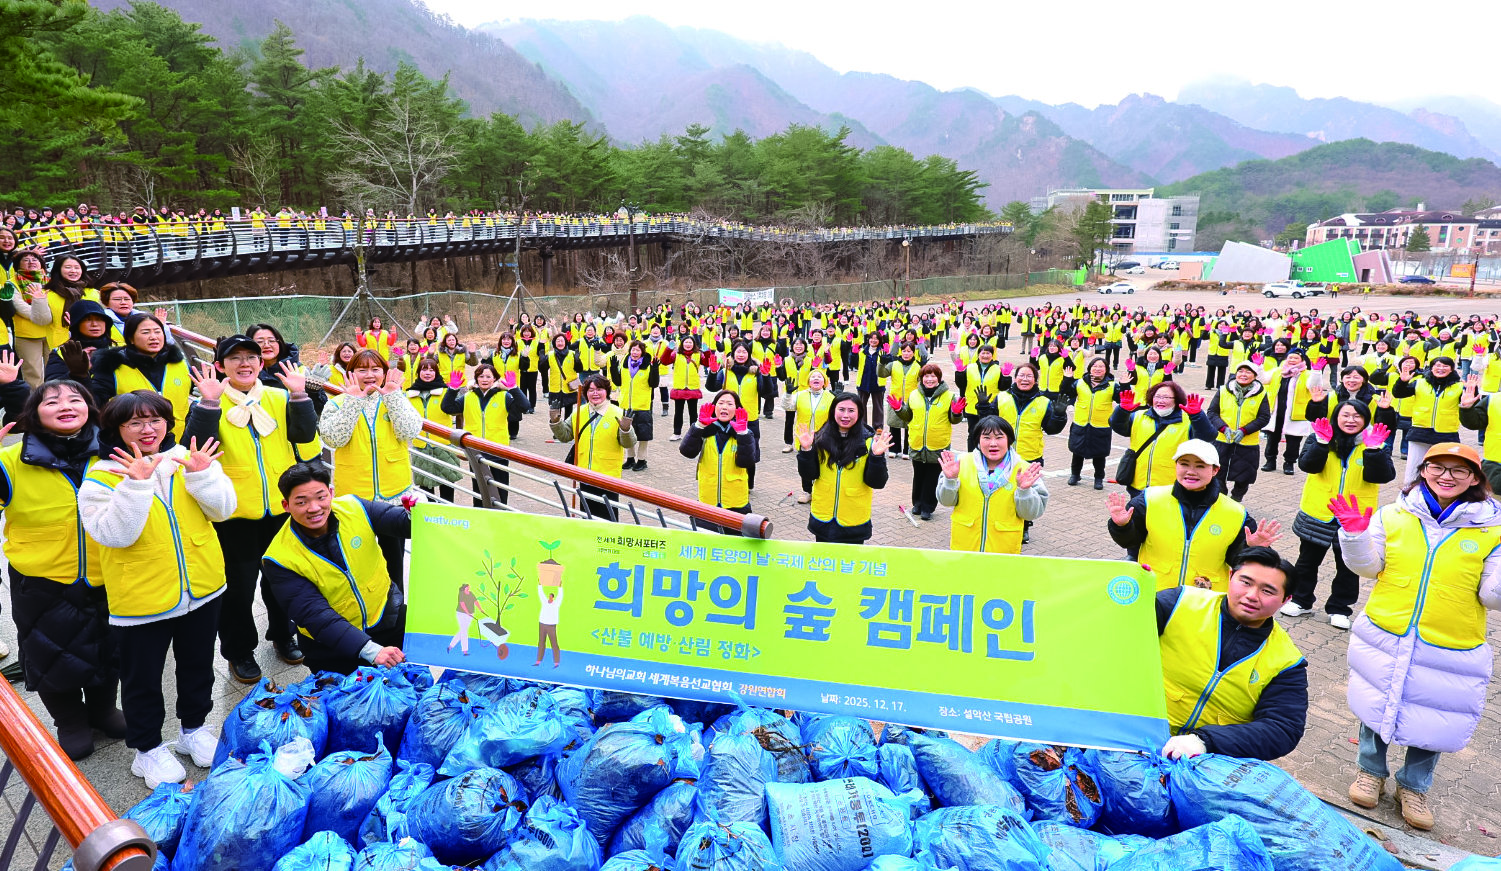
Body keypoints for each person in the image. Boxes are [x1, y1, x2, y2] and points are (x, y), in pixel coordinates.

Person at [1335, 443, 1501, 831]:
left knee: (1436, 718)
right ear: (1423, 470)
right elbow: (1369, 567)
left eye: (1459, 471)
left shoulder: (1492, 530)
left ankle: (1414, 786)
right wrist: (1355, 536)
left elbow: (1492, 596)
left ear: (1476, 479)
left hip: (1450, 639)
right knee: (1377, 704)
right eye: (1438, 467)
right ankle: (1369, 772)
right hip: (1388, 629)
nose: (1447, 476)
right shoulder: (1393, 515)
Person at [79, 391, 236, 789]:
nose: (147, 430)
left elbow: (224, 510)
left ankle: (194, 729)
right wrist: (136, 486)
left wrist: (203, 475)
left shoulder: (187, 459)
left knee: (198, 665)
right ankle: (146, 750)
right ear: (115, 429)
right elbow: (112, 535)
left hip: (202, 587)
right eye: (134, 423)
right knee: (143, 678)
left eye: (155, 420)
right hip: (142, 599)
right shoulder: (99, 476)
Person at [182, 336, 318, 684]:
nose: (245, 364)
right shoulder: (210, 400)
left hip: (281, 508)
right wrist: (209, 403)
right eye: (235, 358)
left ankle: (283, 634)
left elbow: (303, 435)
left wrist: (300, 395)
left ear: (261, 363)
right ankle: (239, 651)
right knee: (238, 589)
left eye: (251, 357)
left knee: (283, 581)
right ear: (220, 366)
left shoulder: (277, 395)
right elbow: (194, 446)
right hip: (234, 513)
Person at [1, 377, 123, 761]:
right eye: (52, 401)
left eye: (76, 398)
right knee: (49, 654)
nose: (66, 405)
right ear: (33, 413)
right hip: (42, 580)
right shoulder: (11, 459)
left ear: (90, 407)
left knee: (109, 648)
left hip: (108, 572)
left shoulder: (111, 453)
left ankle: (103, 710)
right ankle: (70, 720)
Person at [1156, 546, 1308, 761]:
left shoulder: (1287, 662)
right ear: (1230, 576)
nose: (1251, 596)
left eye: (1267, 591)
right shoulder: (1179, 602)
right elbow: (1120, 628)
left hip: (1207, 761)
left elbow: (1282, 729)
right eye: (1245, 582)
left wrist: (1205, 741)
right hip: (1135, 734)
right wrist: (1132, 588)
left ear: (1285, 600)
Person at [261, 462, 411, 675]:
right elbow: (315, 615)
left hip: (388, 619)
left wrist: (415, 514)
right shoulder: (278, 558)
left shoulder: (355, 507)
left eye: (321, 497)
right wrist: (369, 650)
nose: (314, 508)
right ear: (286, 505)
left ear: (331, 493)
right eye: (301, 502)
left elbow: (400, 522)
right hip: (333, 648)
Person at [1107, 439, 1282, 592]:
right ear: (1175, 466)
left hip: (1206, 601)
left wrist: (1253, 549)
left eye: (1200, 466)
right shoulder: (1149, 499)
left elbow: (1239, 563)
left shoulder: (1235, 512)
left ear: (1215, 470)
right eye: (1184, 464)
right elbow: (1129, 542)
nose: (1191, 471)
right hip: (1155, 592)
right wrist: (1122, 526)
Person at [1281, 402, 1395, 629]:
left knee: (1348, 567)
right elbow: (1307, 465)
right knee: (1307, 561)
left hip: (1354, 516)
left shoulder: (1374, 441)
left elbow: (1383, 476)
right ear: (1336, 416)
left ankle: (1340, 608)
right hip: (1319, 511)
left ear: (1365, 419)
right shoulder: (1321, 435)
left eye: (1357, 416)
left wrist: (1374, 451)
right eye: (1346, 415)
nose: (1351, 420)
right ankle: (1301, 600)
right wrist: (1322, 443)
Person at [318, 349, 423, 502]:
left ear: (384, 373)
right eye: (362, 370)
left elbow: (409, 433)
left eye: (375, 369)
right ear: (351, 373)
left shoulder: (396, 398)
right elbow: (333, 440)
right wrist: (353, 401)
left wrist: (393, 396)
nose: (369, 375)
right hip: (353, 495)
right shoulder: (337, 403)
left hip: (396, 493)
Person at [936, 416, 1047, 553]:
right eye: (986, 437)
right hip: (964, 548)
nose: (993, 443)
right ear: (978, 440)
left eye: (999, 437)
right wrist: (950, 480)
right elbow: (946, 501)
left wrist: (1024, 491)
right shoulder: (959, 464)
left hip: (1003, 551)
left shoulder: (1025, 470)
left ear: (1009, 440)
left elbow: (1030, 514)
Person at [796, 392, 890, 544]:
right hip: (824, 517)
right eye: (841, 409)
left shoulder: (869, 442)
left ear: (859, 413)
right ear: (833, 411)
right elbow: (809, 474)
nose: (845, 415)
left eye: (851, 410)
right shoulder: (820, 438)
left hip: (853, 520)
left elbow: (877, 483)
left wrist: (877, 457)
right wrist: (806, 450)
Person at [91, 313, 191, 439]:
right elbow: (94, 404)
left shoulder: (179, 363)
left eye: (157, 331)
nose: (153, 337)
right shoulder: (111, 367)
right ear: (130, 338)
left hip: (176, 442)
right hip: (131, 445)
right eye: (145, 332)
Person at [550, 374, 636, 520]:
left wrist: (626, 430)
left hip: (608, 477)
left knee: (608, 518)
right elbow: (565, 436)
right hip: (584, 473)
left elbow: (628, 444)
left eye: (599, 389)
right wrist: (556, 421)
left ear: (607, 392)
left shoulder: (618, 413)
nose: (595, 393)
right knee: (587, 515)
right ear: (585, 393)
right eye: (591, 390)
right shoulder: (579, 411)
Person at [441, 362, 528, 504]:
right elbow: (447, 407)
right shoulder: (468, 397)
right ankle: (480, 516)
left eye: (488, 376)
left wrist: (514, 388)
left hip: (498, 451)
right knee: (479, 490)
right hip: (476, 451)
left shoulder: (503, 396)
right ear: (476, 379)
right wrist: (452, 390)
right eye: (481, 376)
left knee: (499, 489)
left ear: (494, 379)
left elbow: (524, 406)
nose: (485, 379)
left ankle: (500, 517)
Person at [1111, 381, 1217, 495]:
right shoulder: (1138, 416)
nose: (1160, 400)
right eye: (1157, 396)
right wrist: (1122, 411)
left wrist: (1197, 416)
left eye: (1166, 397)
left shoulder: (1187, 421)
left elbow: (1207, 437)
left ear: (1176, 400)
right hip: (1138, 486)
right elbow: (1118, 426)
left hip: (1170, 489)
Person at [892, 362, 964, 520]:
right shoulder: (914, 395)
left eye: (933, 376)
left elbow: (954, 420)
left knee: (932, 477)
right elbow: (908, 416)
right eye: (926, 376)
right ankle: (917, 503)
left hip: (938, 444)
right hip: (917, 443)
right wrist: (899, 409)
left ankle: (928, 507)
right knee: (918, 475)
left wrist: (957, 413)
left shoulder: (949, 396)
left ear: (939, 378)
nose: (929, 379)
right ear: (921, 378)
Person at [678, 389, 757, 529]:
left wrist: (742, 434)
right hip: (707, 501)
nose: (724, 407)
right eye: (720, 403)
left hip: (736, 503)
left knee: (733, 545)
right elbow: (687, 452)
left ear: (737, 409)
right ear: (714, 407)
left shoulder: (745, 433)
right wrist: (699, 426)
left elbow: (747, 462)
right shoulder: (705, 431)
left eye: (729, 404)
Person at [1390, 355, 1462, 485]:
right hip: (1420, 432)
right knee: (1413, 471)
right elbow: (1399, 393)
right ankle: (1410, 494)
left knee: (1442, 470)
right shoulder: (1420, 382)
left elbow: (1469, 405)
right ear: (1431, 368)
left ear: (1451, 369)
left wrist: (1469, 404)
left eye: (1445, 366)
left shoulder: (1459, 387)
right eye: (1437, 365)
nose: (1441, 368)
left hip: (1446, 434)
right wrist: (1402, 381)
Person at [1205, 361, 1271, 501]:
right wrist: (1223, 428)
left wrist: (1244, 430)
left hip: (1247, 442)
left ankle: (1236, 498)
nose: (1243, 374)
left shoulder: (1261, 394)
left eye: (1248, 372)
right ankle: (1221, 497)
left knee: (1244, 475)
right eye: (1240, 371)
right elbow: (1212, 412)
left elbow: (1264, 417)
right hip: (1223, 439)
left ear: (1254, 376)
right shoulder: (1223, 390)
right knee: (1217, 473)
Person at [609, 340, 660, 471]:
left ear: (642, 352)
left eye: (637, 350)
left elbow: (653, 384)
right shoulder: (624, 364)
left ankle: (642, 460)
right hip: (626, 405)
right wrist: (613, 368)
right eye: (633, 350)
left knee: (643, 435)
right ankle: (630, 458)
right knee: (626, 433)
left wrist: (655, 370)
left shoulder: (648, 365)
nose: (634, 352)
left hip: (642, 406)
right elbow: (618, 381)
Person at [535, 582, 563, 668]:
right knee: (541, 642)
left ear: (553, 598)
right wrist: (540, 585)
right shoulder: (544, 602)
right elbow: (541, 594)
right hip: (542, 624)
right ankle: (538, 661)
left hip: (551, 625)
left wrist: (560, 587)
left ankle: (556, 662)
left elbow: (560, 596)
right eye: (549, 596)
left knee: (554, 643)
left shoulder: (556, 603)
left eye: (551, 597)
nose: (550, 598)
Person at [449, 583, 478, 655]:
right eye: (467, 587)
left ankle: (450, 646)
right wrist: (467, 612)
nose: (469, 588)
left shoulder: (471, 593)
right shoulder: (461, 594)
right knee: (464, 632)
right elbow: (462, 604)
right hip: (461, 614)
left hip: (470, 614)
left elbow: (476, 601)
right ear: (464, 588)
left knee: (462, 631)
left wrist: (481, 609)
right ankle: (465, 651)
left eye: (469, 587)